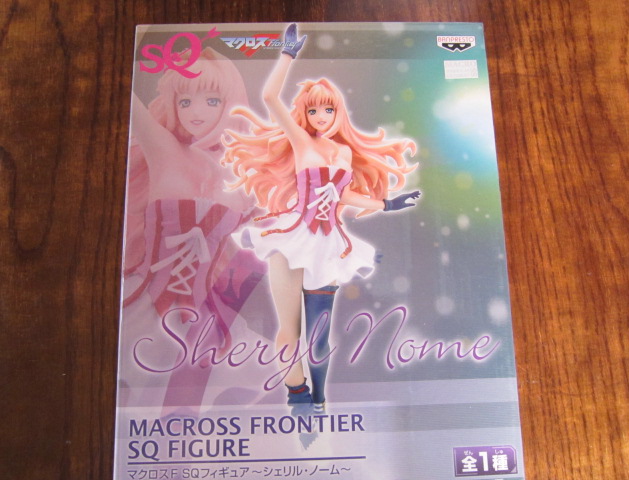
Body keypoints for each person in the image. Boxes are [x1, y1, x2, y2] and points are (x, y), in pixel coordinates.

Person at [222, 24, 420, 414]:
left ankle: (319, 399)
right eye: (313, 110)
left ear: (338, 111)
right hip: (292, 236)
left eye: (328, 109)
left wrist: (387, 204)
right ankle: (296, 392)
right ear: (306, 114)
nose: (321, 116)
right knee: (290, 326)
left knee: (319, 336)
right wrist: (287, 54)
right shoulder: (301, 141)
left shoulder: (343, 154)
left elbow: (343, 194)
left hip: (327, 244)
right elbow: (269, 96)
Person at [122, 47, 266, 409]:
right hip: (142, 305)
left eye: (211, 100)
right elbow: (126, 95)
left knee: (267, 373)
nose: (196, 112)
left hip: (204, 313)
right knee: (129, 393)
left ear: (230, 103)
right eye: (185, 101)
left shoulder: (241, 174)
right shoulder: (164, 150)